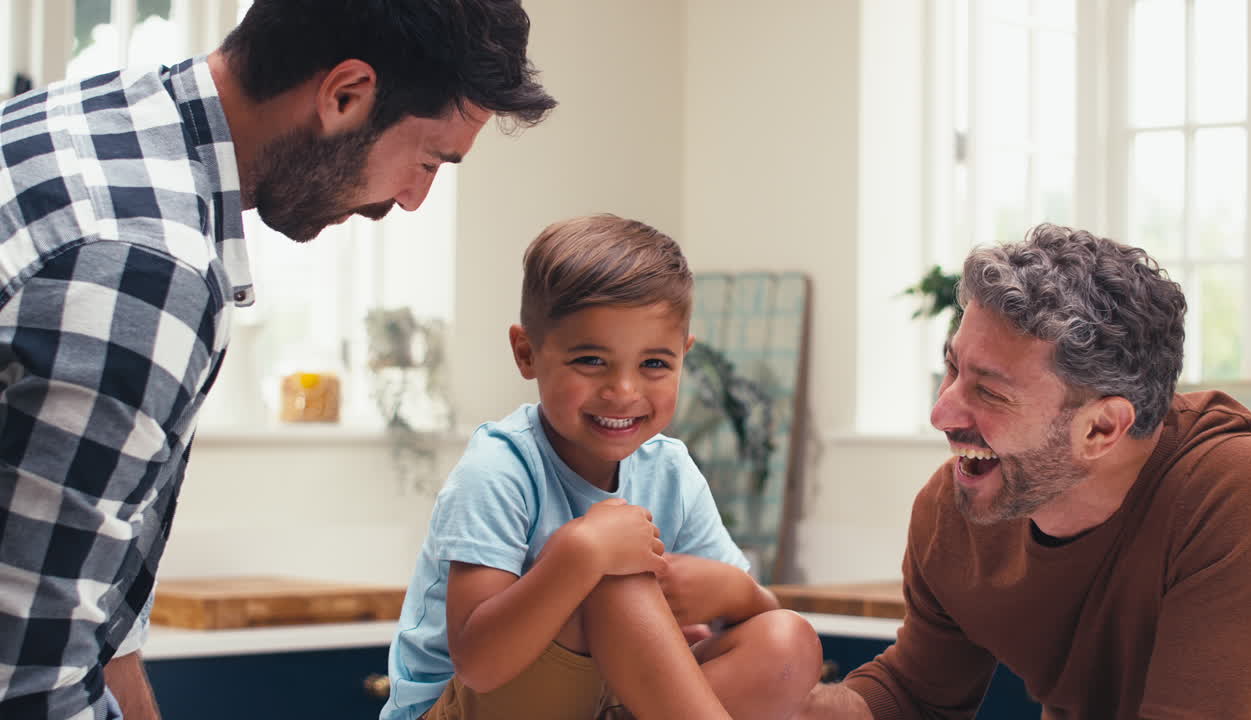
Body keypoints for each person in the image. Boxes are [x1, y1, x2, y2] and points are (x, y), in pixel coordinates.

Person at [0, 2, 556, 718]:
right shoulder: (146, 267)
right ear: (345, 94)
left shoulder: (98, 121)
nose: (415, 200)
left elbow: (89, 619)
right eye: (428, 160)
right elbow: (28, 685)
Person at [798, 223, 1251, 719]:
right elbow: (915, 695)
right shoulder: (964, 504)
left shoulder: (1245, 494)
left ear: (1101, 428)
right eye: (953, 369)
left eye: (989, 392)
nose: (941, 414)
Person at [382, 214, 822, 720]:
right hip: (463, 708)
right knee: (617, 574)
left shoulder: (670, 470)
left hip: (598, 704)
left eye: (654, 364)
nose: (624, 391)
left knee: (788, 641)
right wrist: (579, 554)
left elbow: (755, 621)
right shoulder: (499, 468)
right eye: (591, 360)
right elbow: (478, 664)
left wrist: (734, 591)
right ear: (527, 352)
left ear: (684, 356)